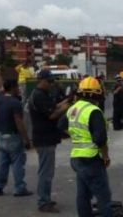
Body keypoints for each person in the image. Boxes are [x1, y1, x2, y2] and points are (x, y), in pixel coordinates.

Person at [59, 76, 112, 217]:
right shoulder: (94, 111)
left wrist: (76, 136)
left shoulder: (73, 109)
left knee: (83, 195)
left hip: (76, 158)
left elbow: (61, 126)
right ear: (97, 94)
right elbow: (100, 139)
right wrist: (106, 157)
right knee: (103, 197)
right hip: (91, 158)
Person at [28, 69, 71, 213]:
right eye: (49, 81)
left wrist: (67, 100)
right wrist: (66, 108)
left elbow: (54, 107)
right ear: (42, 80)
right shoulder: (39, 95)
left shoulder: (43, 94)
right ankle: (43, 202)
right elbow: (52, 115)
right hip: (44, 138)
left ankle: (45, 198)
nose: (51, 84)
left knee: (47, 171)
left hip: (46, 138)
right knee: (46, 172)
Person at [0, 79, 33, 197]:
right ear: (12, 87)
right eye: (17, 87)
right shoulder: (14, 102)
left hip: (1, 135)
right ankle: (19, 188)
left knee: (2, 163)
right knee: (17, 163)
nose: (18, 89)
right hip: (13, 136)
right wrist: (26, 139)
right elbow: (18, 122)